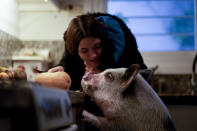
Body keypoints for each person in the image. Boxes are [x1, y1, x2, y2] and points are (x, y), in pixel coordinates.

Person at [48, 13, 147, 91]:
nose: (93, 55)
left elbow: (139, 78)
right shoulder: (72, 50)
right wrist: (61, 72)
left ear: (102, 41)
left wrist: (102, 70)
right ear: (76, 51)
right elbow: (71, 71)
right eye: (84, 51)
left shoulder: (120, 44)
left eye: (97, 46)